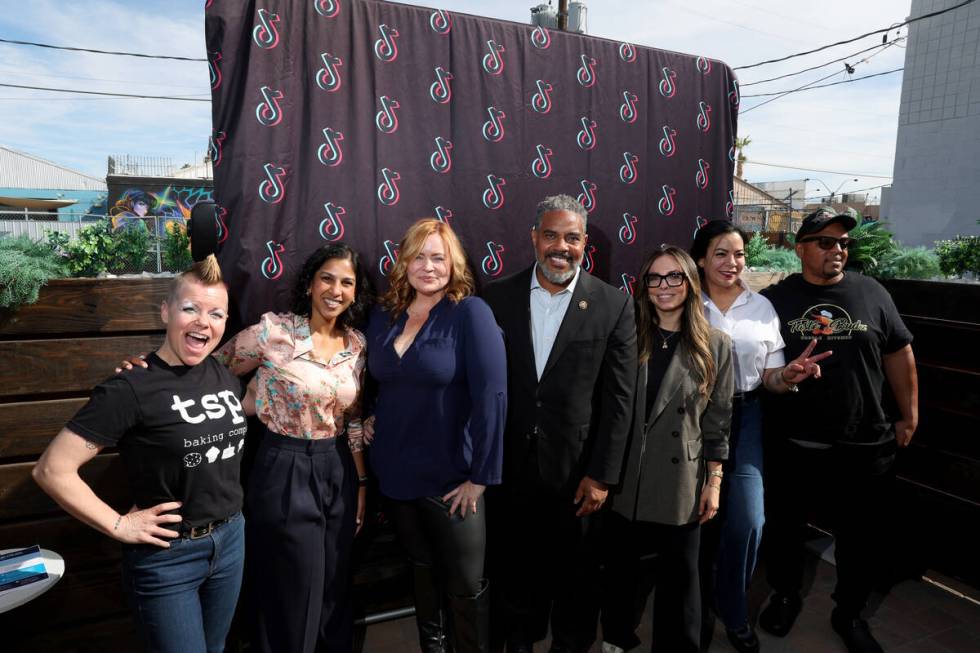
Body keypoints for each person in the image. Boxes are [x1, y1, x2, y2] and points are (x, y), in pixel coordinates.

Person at [34, 256, 249, 653]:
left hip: (231, 539)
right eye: (191, 309)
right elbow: (52, 469)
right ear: (166, 311)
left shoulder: (223, 374)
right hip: (169, 557)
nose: (204, 322)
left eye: (216, 313)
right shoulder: (130, 387)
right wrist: (118, 525)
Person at [481, 194, 637, 653]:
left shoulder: (614, 305)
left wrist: (603, 475)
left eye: (572, 237)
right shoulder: (495, 298)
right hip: (510, 470)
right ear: (534, 238)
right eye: (551, 235)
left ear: (584, 243)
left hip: (578, 475)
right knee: (514, 575)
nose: (560, 247)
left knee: (576, 580)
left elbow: (619, 401)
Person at [758, 209, 918, 653]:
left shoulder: (872, 292)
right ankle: (785, 595)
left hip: (865, 443)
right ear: (801, 249)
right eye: (826, 242)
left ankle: (848, 613)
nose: (838, 250)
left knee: (861, 539)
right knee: (786, 530)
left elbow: (899, 353)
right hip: (795, 441)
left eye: (843, 242)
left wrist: (909, 415)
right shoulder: (775, 299)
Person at [213, 242, 372, 653]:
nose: (336, 290)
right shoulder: (274, 332)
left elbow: (352, 418)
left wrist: (361, 482)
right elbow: (213, 369)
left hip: (337, 467)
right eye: (327, 278)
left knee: (334, 581)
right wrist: (153, 368)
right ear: (310, 284)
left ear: (355, 293)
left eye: (346, 283)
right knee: (292, 584)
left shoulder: (356, 345)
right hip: (282, 465)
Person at [364, 218, 507, 653]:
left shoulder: (470, 313)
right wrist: (370, 414)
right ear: (404, 262)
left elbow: (493, 396)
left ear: (454, 264)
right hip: (394, 473)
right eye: (419, 256)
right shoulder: (382, 315)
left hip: (452, 481)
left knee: (465, 585)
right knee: (421, 569)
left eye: (438, 258)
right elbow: (376, 379)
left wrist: (481, 477)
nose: (428, 266)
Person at [689, 220, 831, 653]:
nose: (733, 263)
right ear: (700, 259)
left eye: (739, 254)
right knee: (688, 520)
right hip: (690, 418)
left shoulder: (762, 308)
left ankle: (732, 611)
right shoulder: (685, 302)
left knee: (750, 521)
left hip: (745, 414)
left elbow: (770, 377)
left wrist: (788, 376)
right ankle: (690, 613)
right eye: (721, 253)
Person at [599, 246, 733, 653]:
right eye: (655, 278)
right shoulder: (626, 335)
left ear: (691, 283)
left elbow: (718, 420)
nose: (664, 286)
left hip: (681, 478)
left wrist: (714, 480)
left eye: (674, 276)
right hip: (625, 477)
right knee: (619, 571)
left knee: (680, 578)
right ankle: (616, 638)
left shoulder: (715, 344)